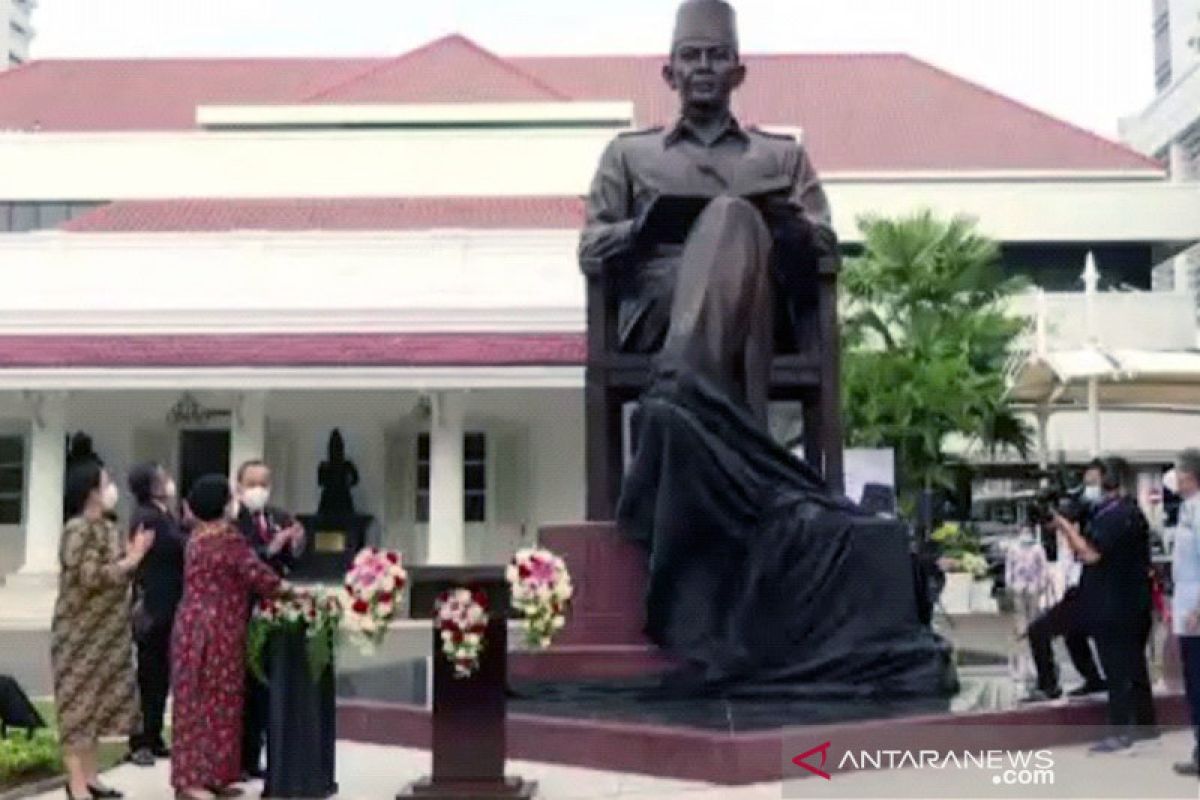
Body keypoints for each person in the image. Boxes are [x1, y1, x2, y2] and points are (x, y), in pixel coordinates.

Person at [579, 0, 837, 424]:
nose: (703, 67)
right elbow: (590, 247)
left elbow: (826, 244)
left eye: (717, 56)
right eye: (690, 56)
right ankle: (742, 437)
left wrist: (789, 227)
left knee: (733, 217)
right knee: (729, 219)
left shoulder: (781, 156)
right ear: (669, 73)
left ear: (738, 74)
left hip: (760, 309)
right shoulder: (628, 154)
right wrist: (641, 229)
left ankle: (681, 391)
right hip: (661, 309)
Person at [171, 474, 288, 800]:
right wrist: (294, 594)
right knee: (208, 703)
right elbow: (259, 576)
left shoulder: (197, 536)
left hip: (194, 625)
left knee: (213, 701)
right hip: (216, 629)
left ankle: (214, 776)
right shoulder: (226, 538)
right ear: (223, 505)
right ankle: (192, 782)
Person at [52, 462, 154, 800]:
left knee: (95, 709)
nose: (112, 490)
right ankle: (76, 784)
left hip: (108, 633)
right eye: (107, 483)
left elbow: (119, 572)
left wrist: (132, 554)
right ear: (92, 490)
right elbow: (90, 577)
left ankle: (93, 779)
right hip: (79, 634)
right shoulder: (77, 529)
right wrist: (132, 560)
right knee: (76, 709)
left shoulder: (109, 527)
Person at [1057, 457, 1157, 752]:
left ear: (1108, 481)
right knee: (1134, 665)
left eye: (1092, 482)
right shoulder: (1120, 512)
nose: (1088, 489)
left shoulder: (1117, 516)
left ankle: (1121, 729)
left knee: (1118, 668)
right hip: (1127, 600)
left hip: (1116, 604)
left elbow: (1091, 554)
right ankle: (1144, 724)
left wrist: (1067, 529)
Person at [233, 459, 305, 779]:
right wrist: (270, 548)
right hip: (244, 606)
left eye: (263, 484)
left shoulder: (276, 516)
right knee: (246, 687)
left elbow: (288, 559)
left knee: (266, 685)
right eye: (252, 484)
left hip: (274, 604)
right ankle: (243, 758)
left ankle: (259, 755)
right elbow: (242, 560)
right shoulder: (233, 521)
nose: (258, 491)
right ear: (239, 486)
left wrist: (294, 543)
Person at [1021, 465, 1108, 703]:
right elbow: (1053, 525)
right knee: (1072, 633)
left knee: (1039, 631)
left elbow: (1073, 527)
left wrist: (1060, 515)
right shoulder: (1085, 510)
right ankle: (1093, 678)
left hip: (1088, 588)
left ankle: (1048, 685)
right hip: (1076, 587)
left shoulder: (1092, 512)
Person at [124, 462, 187, 767]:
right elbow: (169, 551)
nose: (169, 481)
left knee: (160, 676)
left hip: (168, 603)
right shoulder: (148, 518)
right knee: (148, 676)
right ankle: (140, 741)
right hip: (153, 605)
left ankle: (154, 735)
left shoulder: (165, 515)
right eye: (163, 478)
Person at [1171, 448, 1200, 775]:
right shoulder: (1187, 509)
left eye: (1178, 472)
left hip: (1196, 611)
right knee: (1193, 682)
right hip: (1186, 606)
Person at [1006, 524, 1051, 693]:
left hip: (1033, 588)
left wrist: (1042, 585)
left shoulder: (1037, 548)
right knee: (1020, 622)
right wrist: (1010, 585)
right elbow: (1009, 568)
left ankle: (1032, 657)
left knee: (1033, 621)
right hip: (1019, 588)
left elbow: (1043, 568)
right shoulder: (1013, 548)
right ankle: (1021, 660)